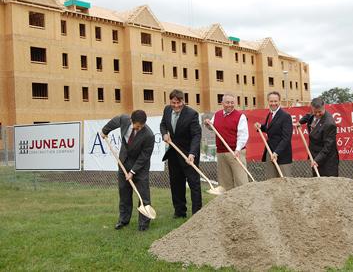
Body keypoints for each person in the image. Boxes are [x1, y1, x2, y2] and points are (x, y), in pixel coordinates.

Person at [101, 110, 155, 231]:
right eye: (137, 126)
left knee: (143, 194)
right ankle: (123, 220)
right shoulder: (124, 120)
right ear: (131, 120)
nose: (140, 128)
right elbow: (116, 121)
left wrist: (133, 172)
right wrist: (105, 131)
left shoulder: (149, 135)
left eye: (142, 126)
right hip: (124, 162)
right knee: (124, 192)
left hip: (140, 167)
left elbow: (144, 156)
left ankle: (143, 224)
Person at [160, 89, 202, 218]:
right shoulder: (167, 110)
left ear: (183, 101)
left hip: (188, 154)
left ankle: (197, 213)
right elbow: (163, 124)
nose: (176, 105)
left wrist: (192, 153)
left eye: (179, 102)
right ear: (170, 101)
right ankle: (179, 211)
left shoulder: (192, 114)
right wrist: (164, 133)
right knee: (176, 183)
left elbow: (196, 135)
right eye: (173, 102)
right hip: (173, 153)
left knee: (193, 183)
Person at [204, 93, 249, 191]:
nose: (230, 105)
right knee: (225, 183)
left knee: (241, 181)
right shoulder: (217, 114)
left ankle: (244, 203)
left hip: (235, 152)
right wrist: (207, 124)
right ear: (222, 103)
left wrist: (237, 150)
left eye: (232, 103)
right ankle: (229, 204)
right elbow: (212, 127)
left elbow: (243, 136)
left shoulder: (240, 116)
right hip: (221, 152)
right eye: (227, 102)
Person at [255, 91, 293, 178]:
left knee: (284, 180)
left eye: (275, 101)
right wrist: (260, 126)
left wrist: (276, 153)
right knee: (271, 180)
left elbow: (286, 138)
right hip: (270, 151)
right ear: (268, 101)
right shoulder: (270, 114)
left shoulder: (285, 116)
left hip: (282, 155)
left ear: (279, 101)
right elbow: (270, 129)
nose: (273, 103)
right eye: (271, 101)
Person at [297, 97, 339, 176]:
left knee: (327, 184)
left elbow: (328, 147)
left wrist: (317, 160)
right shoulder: (314, 113)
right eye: (315, 112)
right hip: (315, 156)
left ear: (324, 107)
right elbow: (308, 116)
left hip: (327, 161)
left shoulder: (329, 124)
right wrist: (300, 122)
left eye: (319, 112)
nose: (317, 114)